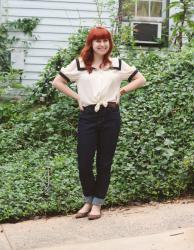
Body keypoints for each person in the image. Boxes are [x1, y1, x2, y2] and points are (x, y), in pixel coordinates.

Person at [52, 26, 146, 220]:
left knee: (104, 162)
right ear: (91, 43)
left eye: (105, 40)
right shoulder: (79, 65)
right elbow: (57, 82)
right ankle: (88, 199)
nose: (102, 44)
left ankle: (97, 203)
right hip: (88, 115)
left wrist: (121, 92)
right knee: (84, 161)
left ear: (109, 43)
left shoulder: (117, 64)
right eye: (98, 41)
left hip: (110, 115)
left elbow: (140, 79)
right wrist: (77, 97)